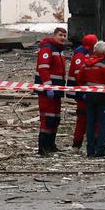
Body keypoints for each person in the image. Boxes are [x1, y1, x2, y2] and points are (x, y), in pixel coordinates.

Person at [77, 41, 105, 157]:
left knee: (90, 123)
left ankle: (90, 150)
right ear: (104, 51)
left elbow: (80, 79)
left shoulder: (86, 63)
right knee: (103, 124)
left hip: (89, 95)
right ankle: (100, 149)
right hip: (103, 96)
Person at [34, 26, 68, 156]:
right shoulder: (47, 48)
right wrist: (48, 86)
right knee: (47, 118)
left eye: (64, 36)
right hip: (47, 90)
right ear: (54, 35)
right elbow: (43, 68)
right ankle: (43, 148)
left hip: (56, 89)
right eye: (60, 35)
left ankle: (51, 145)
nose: (63, 38)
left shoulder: (59, 50)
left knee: (55, 118)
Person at [67, 34, 97, 150]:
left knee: (87, 119)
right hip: (82, 93)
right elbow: (79, 74)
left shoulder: (85, 52)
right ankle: (77, 144)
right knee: (83, 119)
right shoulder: (81, 54)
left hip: (85, 91)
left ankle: (83, 144)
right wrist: (84, 90)